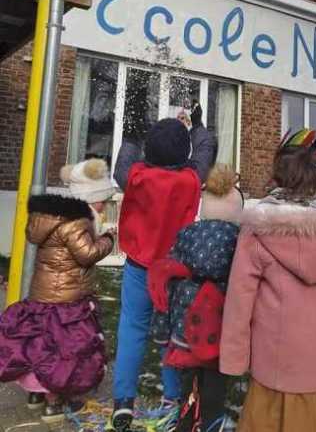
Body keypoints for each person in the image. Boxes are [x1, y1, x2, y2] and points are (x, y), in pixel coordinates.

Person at [220, 134, 316, 432]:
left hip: (273, 355)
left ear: (278, 176)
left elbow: (240, 297)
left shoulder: (259, 227)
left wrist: (234, 356)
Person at [0, 159, 115, 424]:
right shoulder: (77, 222)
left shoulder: (49, 218)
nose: (103, 205)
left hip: (43, 294)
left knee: (41, 345)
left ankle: (35, 395)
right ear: (91, 198)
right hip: (67, 298)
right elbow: (87, 254)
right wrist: (108, 239)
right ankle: (54, 402)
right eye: (101, 200)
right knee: (64, 351)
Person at [112, 118, 203, 432]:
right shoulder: (191, 179)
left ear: (149, 149)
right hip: (173, 270)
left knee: (131, 328)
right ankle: (172, 398)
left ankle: (123, 401)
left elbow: (122, 165)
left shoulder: (136, 176)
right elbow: (204, 152)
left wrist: (130, 136)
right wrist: (198, 127)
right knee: (171, 334)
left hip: (139, 265)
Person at [148, 164, 244, 432]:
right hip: (220, 329)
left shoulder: (186, 236)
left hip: (185, 329)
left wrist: (161, 330)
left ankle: (187, 422)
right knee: (215, 384)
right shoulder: (239, 241)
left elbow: (166, 284)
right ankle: (211, 424)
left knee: (188, 382)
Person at [113, 101, 217, 190]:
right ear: (185, 150)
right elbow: (203, 151)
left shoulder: (138, 182)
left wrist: (132, 138)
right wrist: (197, 125)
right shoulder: (189, 182)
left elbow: (121, 171)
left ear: (149, 149)